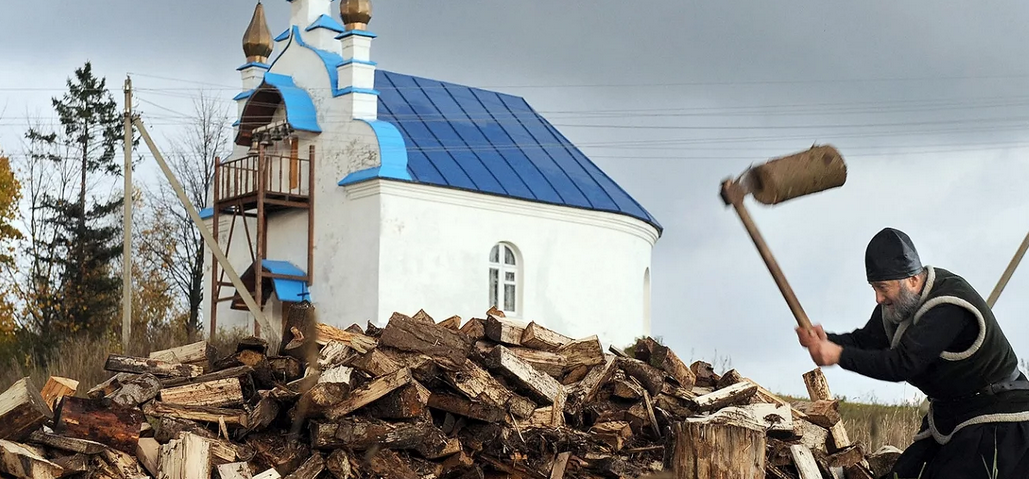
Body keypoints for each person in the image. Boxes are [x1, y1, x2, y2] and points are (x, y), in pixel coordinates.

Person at [796, 227, 1029, 479]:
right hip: (952, 418)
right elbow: (864, 341)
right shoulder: (896, 307)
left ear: (913, 280)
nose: (878, 298)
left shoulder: (947, 305)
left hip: (998, 421)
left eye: (883, 288)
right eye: (874, 287)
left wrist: (838, 355)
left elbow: (902, 364)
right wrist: (825, 339)